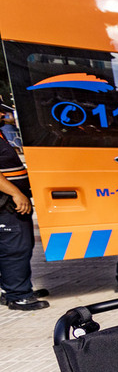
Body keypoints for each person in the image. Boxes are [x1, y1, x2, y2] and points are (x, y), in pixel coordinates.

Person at [0, 109, 48, 311]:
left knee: (18, 246)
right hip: (6, 202)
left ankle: (15, 289)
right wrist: (16, 193)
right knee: (15, 248)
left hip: (9, 201)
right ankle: (19, 295)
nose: (2, 114)